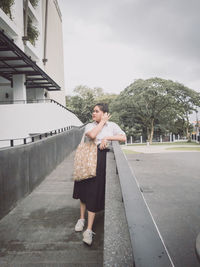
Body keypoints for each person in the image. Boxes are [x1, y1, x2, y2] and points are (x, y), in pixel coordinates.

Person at [73, 103, 126, 245]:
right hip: (86, 160)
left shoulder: (112, 126)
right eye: (93, 111)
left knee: (92, 192)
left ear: (104, 113)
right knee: (83, 191)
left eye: (96, 111)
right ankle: (81, 219)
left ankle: (88, 229)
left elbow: (123, 137)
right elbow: (91, 135)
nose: (93, 113)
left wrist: (107, 138)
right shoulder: (90, 126)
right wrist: (102, 122)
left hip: (99, 162)